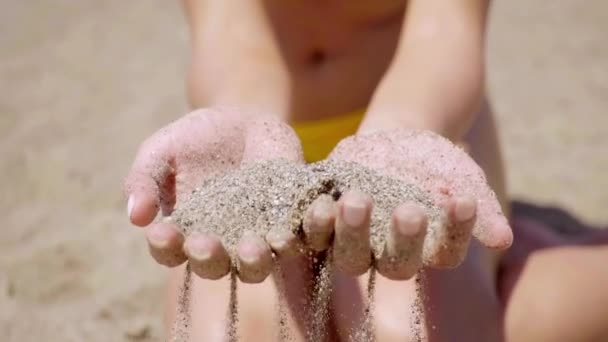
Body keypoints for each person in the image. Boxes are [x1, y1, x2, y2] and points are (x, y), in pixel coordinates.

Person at [124, 0, 608, 340]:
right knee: (238, 332)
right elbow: (230, 34)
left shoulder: (412, 131)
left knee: (403, 332)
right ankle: (516, 268)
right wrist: (242, 120)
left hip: (418, 125)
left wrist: (401, 127)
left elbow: (443, 35)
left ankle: (529, 275)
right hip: (262, 139)